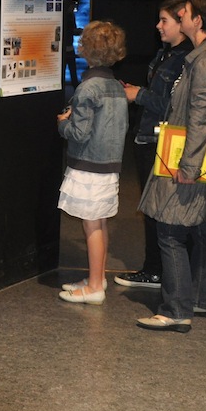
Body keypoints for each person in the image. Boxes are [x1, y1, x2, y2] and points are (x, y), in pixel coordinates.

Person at [136, 0, 206, 333]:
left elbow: (201, 118)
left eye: (185, 13)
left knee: (169, 231)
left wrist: (188, 167)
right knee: (204, 228)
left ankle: (176, 309)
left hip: (195, 160)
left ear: (198, 20)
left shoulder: (204, 61)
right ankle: (203, 299)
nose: (180, 16)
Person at [115, 0, 191, 290]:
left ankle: (157, 271)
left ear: (182, 24)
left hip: (163, 142)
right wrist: (139, 92)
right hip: (148, 136)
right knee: (152, 208)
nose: (158, 26)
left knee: (159, 209)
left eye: (164, 21)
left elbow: (176, 105)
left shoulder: (187, 60)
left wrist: (139, 96)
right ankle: (156, 269)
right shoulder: (166, 54)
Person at [55, 20, 128, 305]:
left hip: (89, 166)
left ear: (85, 49)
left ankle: (95, 287)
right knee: (100, 222)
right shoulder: (116, 87)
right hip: (109, 165)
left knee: (91, 225)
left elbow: (79, 133)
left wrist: (63, 123)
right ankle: (98, 277)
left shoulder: (88, 88)